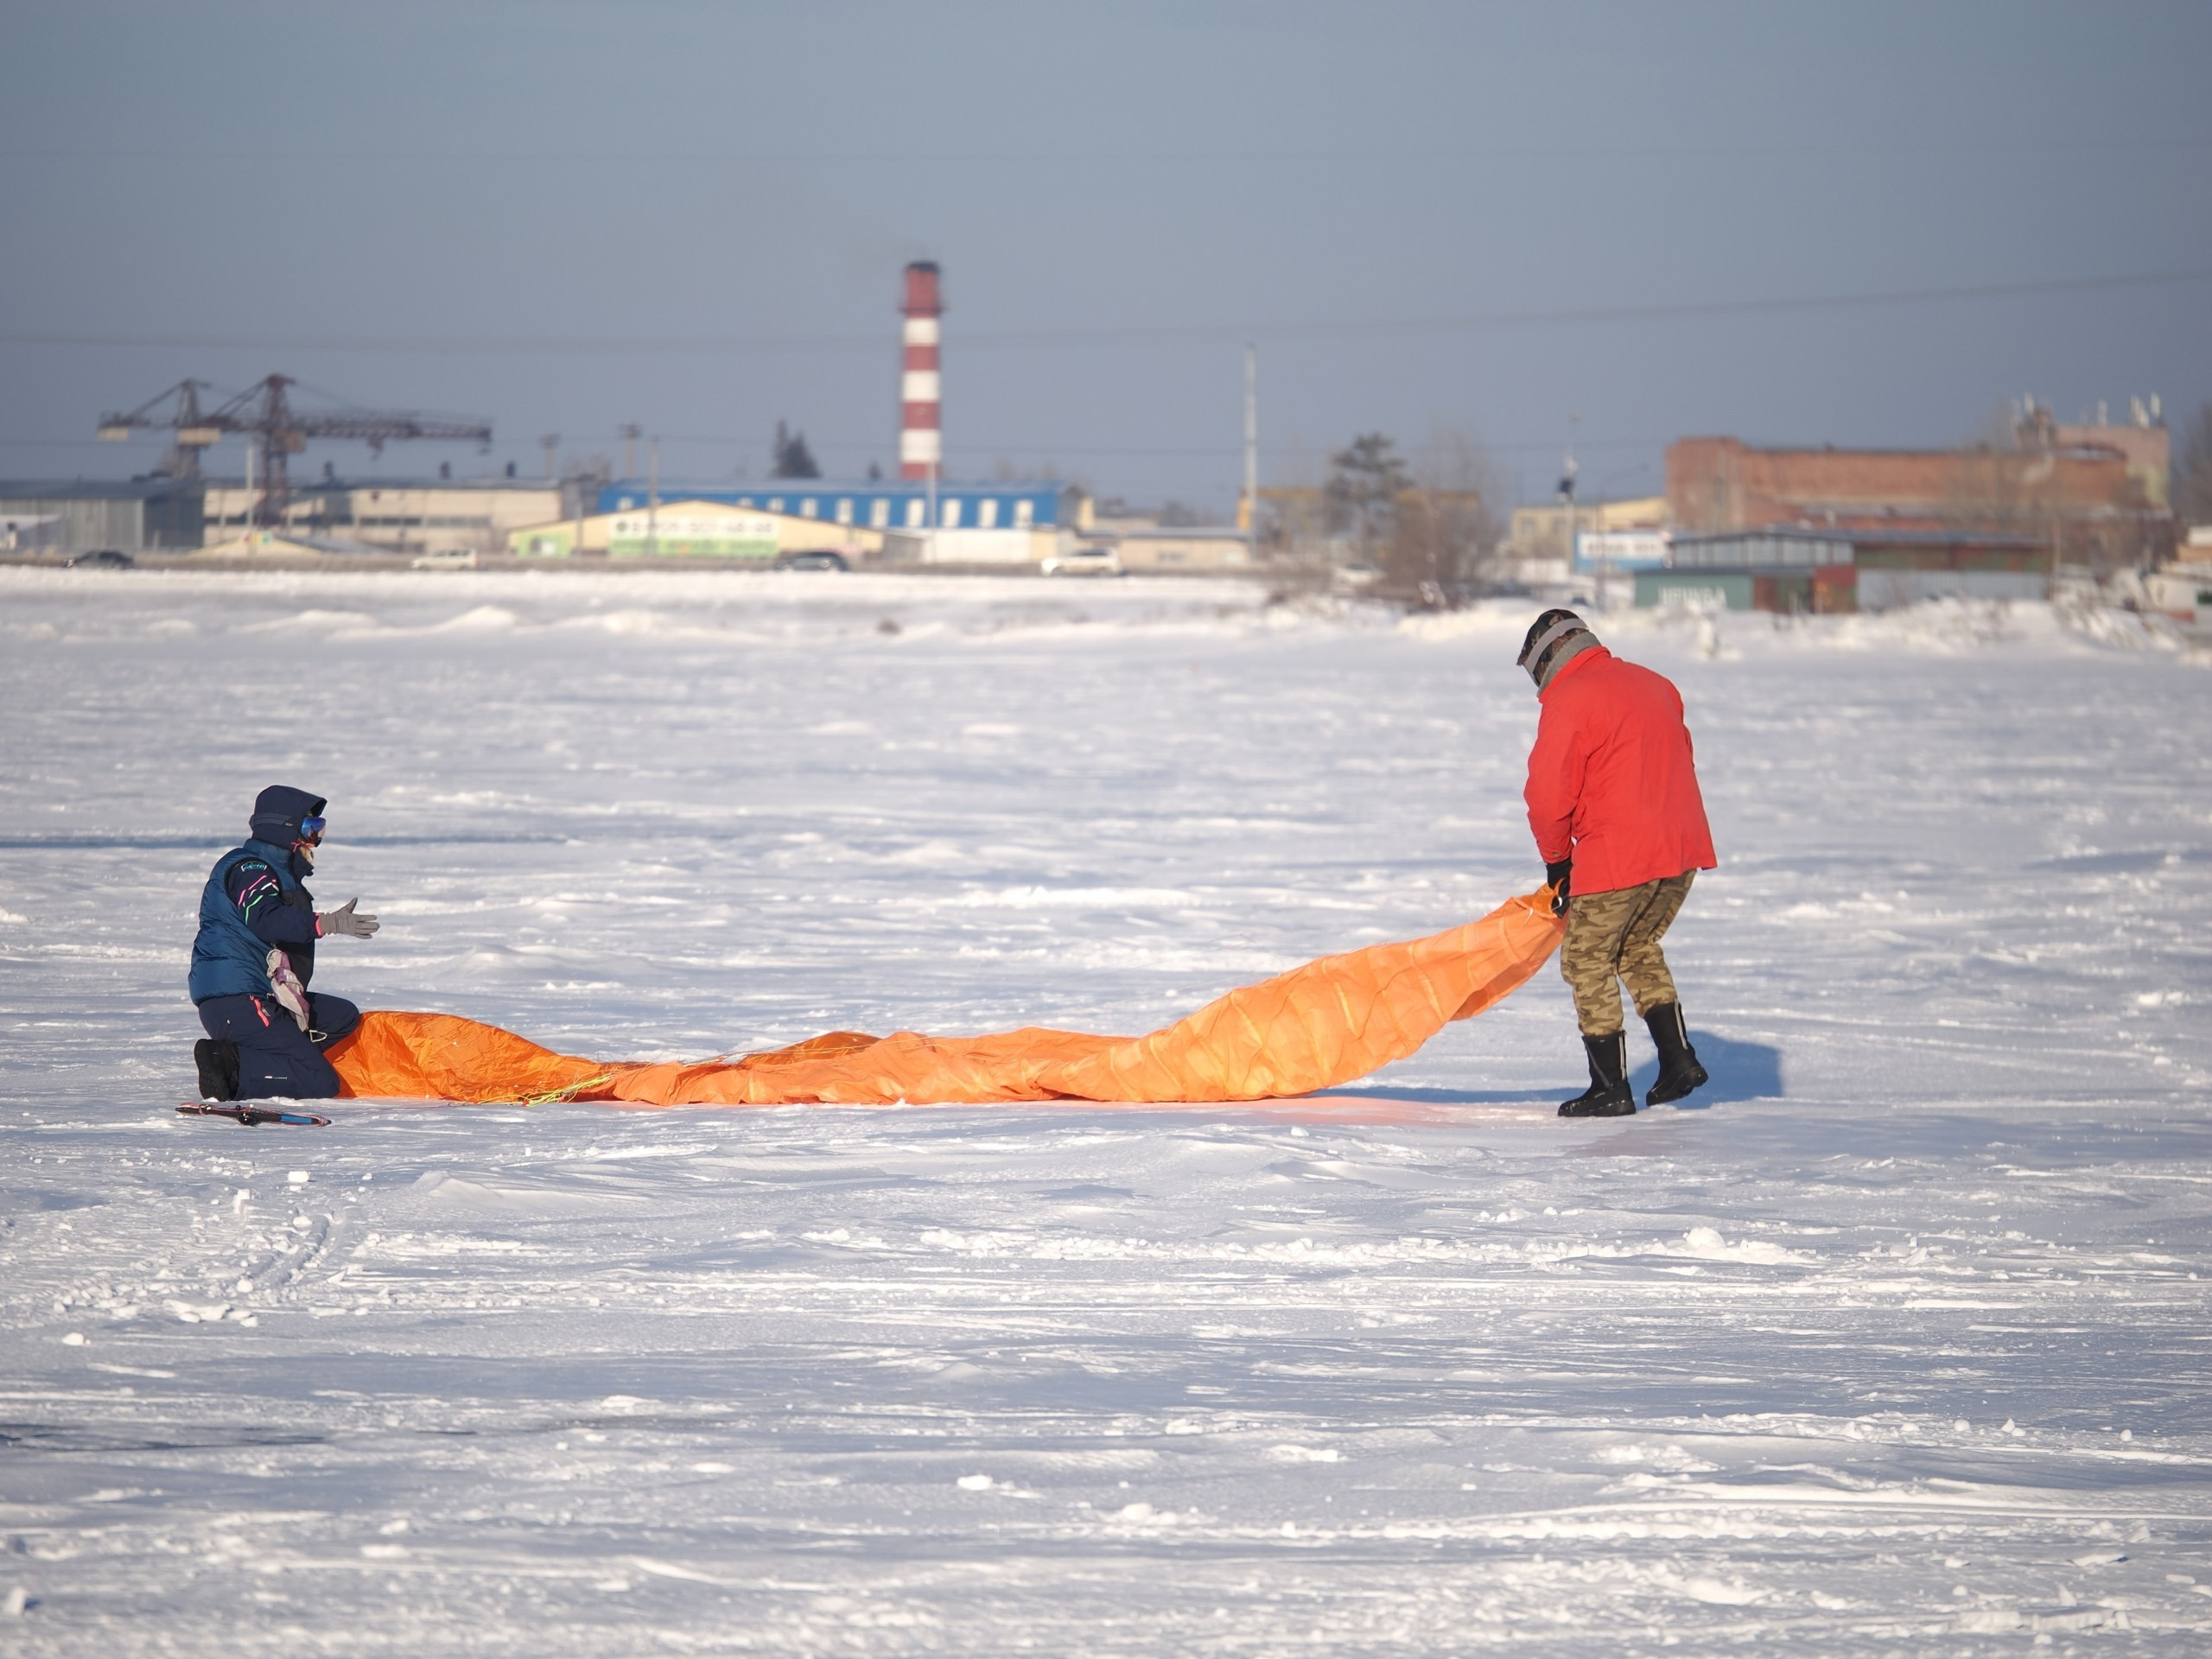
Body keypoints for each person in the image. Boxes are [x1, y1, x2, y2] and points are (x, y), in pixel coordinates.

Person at [1519, 610, 1716, 1117]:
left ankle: (1610, 1088)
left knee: (1586, 959)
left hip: (1619, 854)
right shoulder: (1656, 684)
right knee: (1636, 946)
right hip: (1680, 848)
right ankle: (1678, 1061)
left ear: (1546, 661)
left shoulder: (1569, 700)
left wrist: (1557, 863)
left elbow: (1547, 798)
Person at [188, 786, 379, 1101]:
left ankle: (270, 1059)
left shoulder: (271, 870)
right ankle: (231, 1067)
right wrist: (325, 923)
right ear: (283, 829)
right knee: (321, 1083)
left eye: (319, 829)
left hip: (258, 997)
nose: (315, 839)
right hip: (239, 1000)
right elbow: (264, 918)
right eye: (310, 829)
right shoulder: (251, 869)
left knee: (342, 1016)